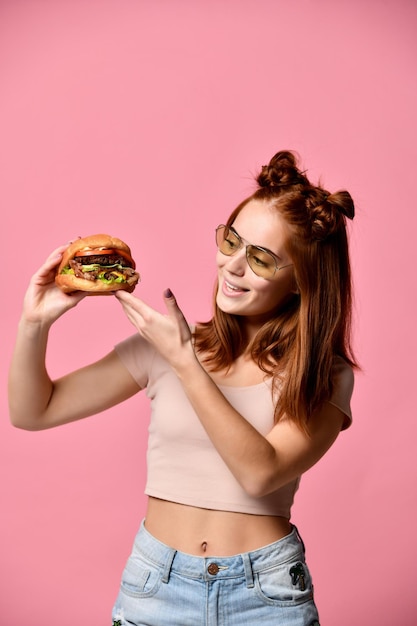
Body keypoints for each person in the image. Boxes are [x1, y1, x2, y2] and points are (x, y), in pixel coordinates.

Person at [8, 150, 357, 626]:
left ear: (301, 282)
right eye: (231, 240)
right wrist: (34, 322)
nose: (233, 266)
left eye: (261, 258)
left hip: (266, 594)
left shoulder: (323, 373)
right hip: (156, 586)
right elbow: (33, 412)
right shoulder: (165, 347)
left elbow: (261, 474)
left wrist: (184, 362)